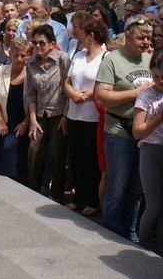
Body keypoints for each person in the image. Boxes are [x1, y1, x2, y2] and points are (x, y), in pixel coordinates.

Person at [95, 15, 154, 242]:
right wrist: (135, 93)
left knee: (136, 188)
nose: (145, 42)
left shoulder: (150, 59)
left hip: (144, 131)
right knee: (118, 185)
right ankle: (111, 230)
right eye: (141, 38)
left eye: (148, 38)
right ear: (128, 35)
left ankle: (129, 231)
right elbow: (102, 97)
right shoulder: (112, 60)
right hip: (119, 129)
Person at [133, 50, 163, 259]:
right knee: (154, 205)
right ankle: (141, 245)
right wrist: (159, 117)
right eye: (156, 76)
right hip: (150, 152)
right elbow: (137, 130)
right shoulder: (146, 95)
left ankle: (161, 251)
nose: (160, 81)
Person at [64, 19, 108, 217]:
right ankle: (78, 197)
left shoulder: (106, 57)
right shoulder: (79, 56)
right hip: (74, 113)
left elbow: (104, 85)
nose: (79, 37)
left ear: (92, 35)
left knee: (92, 160)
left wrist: (86, 95)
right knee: (77, 158)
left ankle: (92, 200)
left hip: (93, 116)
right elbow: (67, 80)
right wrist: (72, 92)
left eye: (83, 33)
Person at [26, 24, 70, 201]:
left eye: (42, 43)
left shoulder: (62, 59)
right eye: (34, 42)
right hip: (39, 113)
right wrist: (32, 119)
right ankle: (33, 189)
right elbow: (30, 93)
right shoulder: (31, 61)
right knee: (34, 150)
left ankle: (57, 194)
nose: (37, 46)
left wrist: (66, 117)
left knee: (56, 153)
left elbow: (68, 89)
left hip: (59, 111)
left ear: (52, 44)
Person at [0, 38, 30, 180]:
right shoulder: (1, 71)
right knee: (0, 162)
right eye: (16, 55)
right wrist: (0, 121)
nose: (19, 59)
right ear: (10, 55)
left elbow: (34, 102)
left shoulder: (30, 74)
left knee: (11, 160)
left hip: (22, 124)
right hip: (5, 122)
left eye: (23, 56)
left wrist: (25, 123)